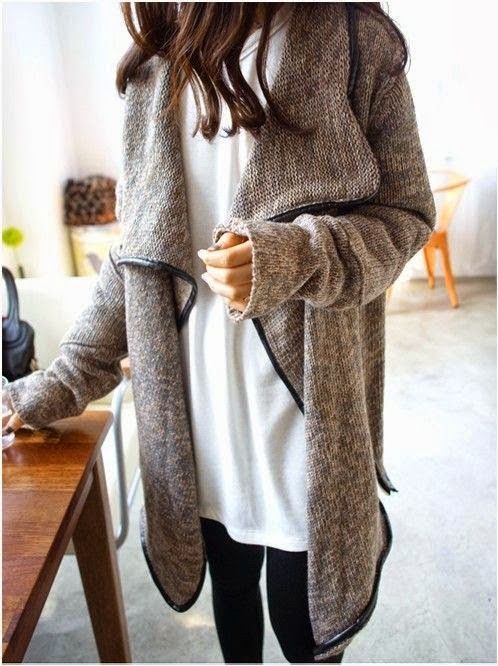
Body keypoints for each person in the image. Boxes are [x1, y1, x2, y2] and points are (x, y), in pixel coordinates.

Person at [3, 3, 436, 664]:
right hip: (197, 427)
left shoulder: (354, 39)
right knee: (231, 597)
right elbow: (138, 261)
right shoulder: (156, 65)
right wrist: (56, 384)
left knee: (304, 625)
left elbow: (405, 216)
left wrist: (297, 255)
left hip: (306, 428)